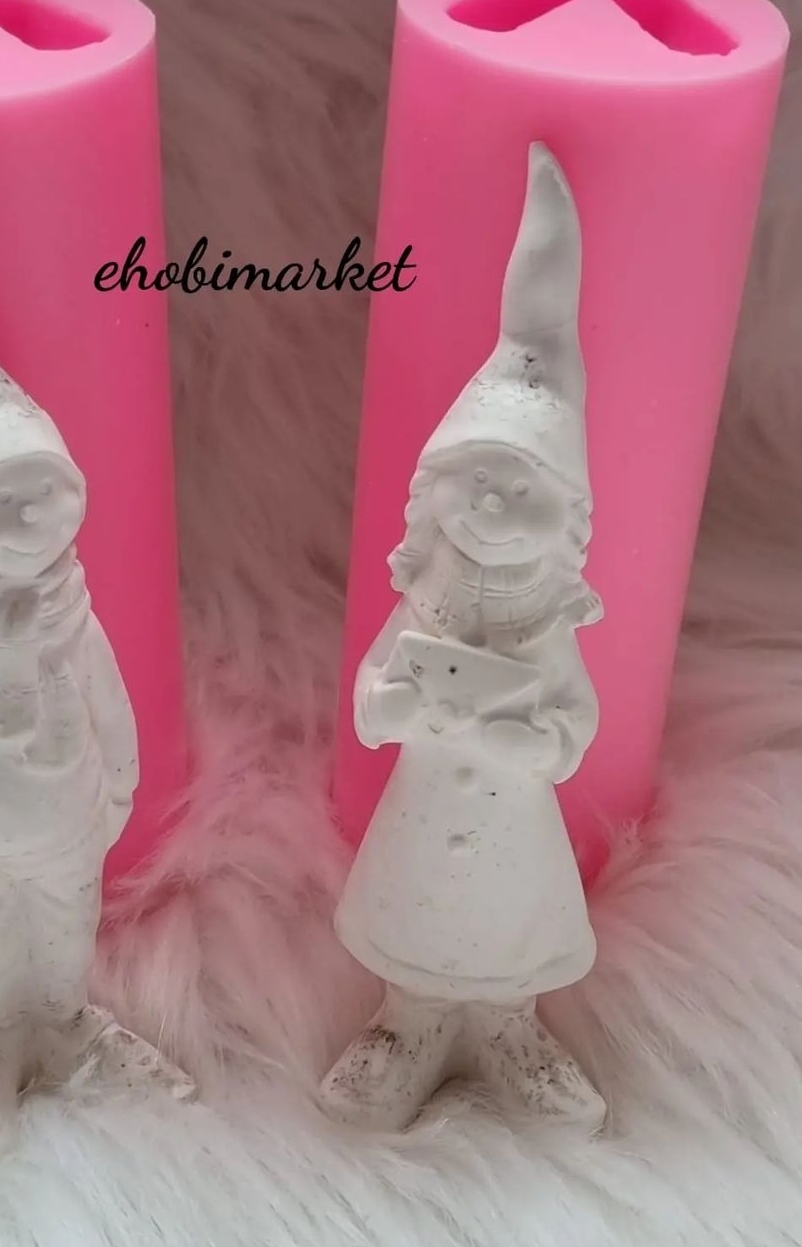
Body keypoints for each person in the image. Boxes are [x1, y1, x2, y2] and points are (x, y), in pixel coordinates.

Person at [0, 149, 194, 1173]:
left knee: (66, 928)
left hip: (67, 823)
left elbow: (104, 698)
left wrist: (121, 785)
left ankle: (65, 1025)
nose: (27, 518)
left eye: (42, 490)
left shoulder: (72, 619)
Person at [320, 144, 605, 1132]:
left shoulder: (547, 616)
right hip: (428, 795)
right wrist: (394, 703)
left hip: (513, 817)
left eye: (522, 490)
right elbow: (371, 695)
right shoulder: (429, 604)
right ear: (435, 489)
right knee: (421, 908)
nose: (492, 506)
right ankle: (409, 1021)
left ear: (566, 511)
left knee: (504, 918)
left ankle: (510, 1026)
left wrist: (538, 740)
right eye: (476, 480)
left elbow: (573, 717)